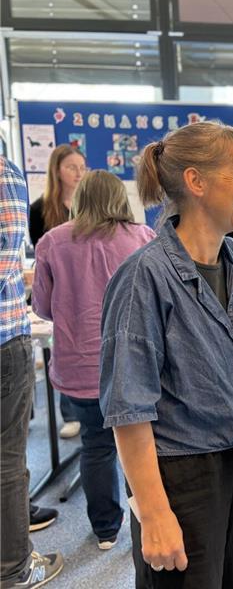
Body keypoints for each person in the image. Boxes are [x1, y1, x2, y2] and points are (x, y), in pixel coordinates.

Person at [99, 121, 233, 588]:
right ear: (196, 182)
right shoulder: (144, 277)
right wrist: (153, 514)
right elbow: (128, 410)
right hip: (178, 478)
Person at [32, 170, 155, 550]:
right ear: (121, 199)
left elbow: (42, 307)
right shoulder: (143, 238)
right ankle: (149, 523)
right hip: (134, 365)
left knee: (96, 446)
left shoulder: (52, 242)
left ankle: (105, 531)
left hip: (79, 367)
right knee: (143, 446)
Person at [1, 155, 64, 588]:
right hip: (5, 337)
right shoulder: (6, 174)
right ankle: (14, 569)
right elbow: (8, 262)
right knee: (7, 459)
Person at [29, 144, 87, 441]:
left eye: (81, 167)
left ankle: (86, 408)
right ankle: (69, 412)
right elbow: (42, 258)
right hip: (58, 292)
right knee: (62, 348)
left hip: (87, 289)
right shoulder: (40, 209)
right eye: (71, 167)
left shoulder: (89, 207)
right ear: (57, 171)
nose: (78, 173)